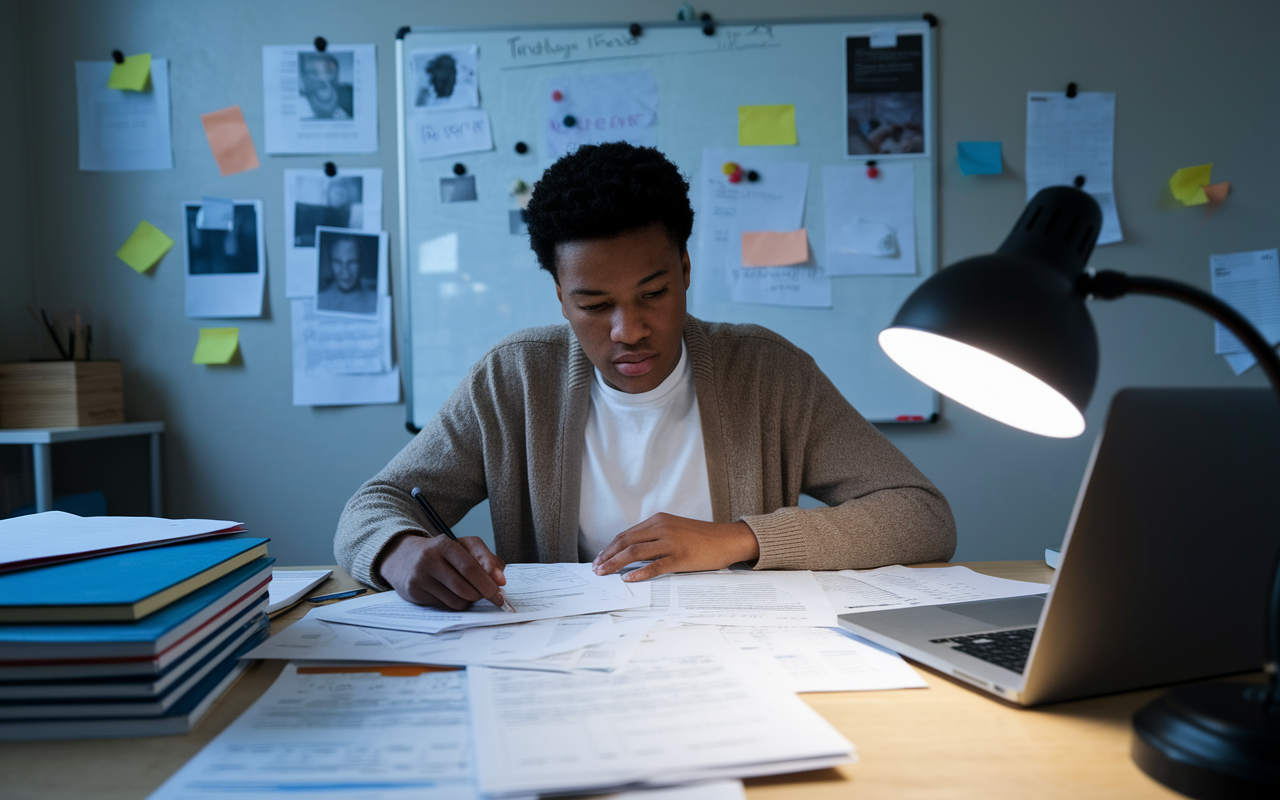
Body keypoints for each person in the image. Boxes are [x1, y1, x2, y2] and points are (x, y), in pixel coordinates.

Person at [334, 142, 955, 609]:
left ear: (686, 269)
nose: (627, 330)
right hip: (561, 671)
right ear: (559, 296)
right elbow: (372, 506)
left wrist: (739, 539)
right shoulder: (514, 378)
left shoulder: (768, 373)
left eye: (653, 293)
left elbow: (922, 516)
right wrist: (400, 553)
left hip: (740, 660)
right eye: (594, 304)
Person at [316, 235, 375, 314]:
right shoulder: (319, 302)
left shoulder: (376, 303)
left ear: (361, 263)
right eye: (338, 262)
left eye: (352, 262)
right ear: (330, 262)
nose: (345, 271)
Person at [298, 52, 352, 120]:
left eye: (329, 71)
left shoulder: (348, 94)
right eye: (313, 72)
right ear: (303, 77)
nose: (322, 78)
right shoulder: (301, 102)